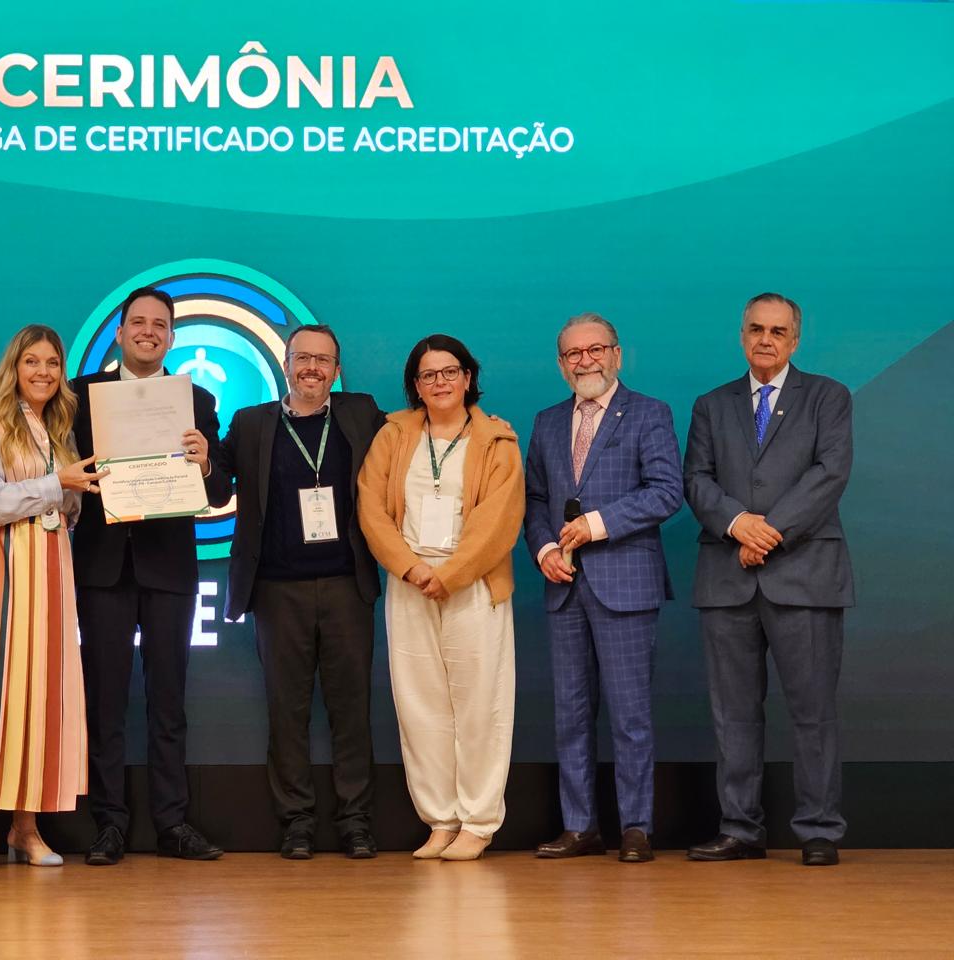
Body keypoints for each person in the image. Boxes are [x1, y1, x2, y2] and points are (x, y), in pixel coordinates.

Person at [683, 292, 854, 868]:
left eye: (778, 331)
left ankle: (819, 830)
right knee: (733, 714)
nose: (766, 339)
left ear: (795, 340)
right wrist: (737, 525)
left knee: (813, 711)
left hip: (804, 576)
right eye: (756, 329)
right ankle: (740, 829)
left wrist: (768, 532)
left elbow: (830, 474)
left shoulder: (828, 397)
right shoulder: (711, 404)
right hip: (728, 578)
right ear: (741, 335)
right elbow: (697, 480)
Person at [71, 286, 234, 864]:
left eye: (159, 325)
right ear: (118, 333)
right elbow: (60, 476)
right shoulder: (77, 396)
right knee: (105, 699)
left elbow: (219, 492)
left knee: (169, 701)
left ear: (171, 336)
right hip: (102, 565)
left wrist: (206, 459)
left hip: (169, 568)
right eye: (137, 323)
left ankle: (172, 823)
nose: (147, 332)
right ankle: (109, 823)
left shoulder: (199, 400)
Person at [217, 325, 385, 860]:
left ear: (338, 370)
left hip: (346, 586)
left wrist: (479, 421)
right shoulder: (250, 423)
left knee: (351, 710)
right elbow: (217, 483)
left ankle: (356, 821)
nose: (312, 368)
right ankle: (296, 823)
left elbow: (423, 430)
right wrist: (199, 460)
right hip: (276, 591)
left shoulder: (361, 414)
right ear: (285, 363)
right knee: (285, 712)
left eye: (324, 360)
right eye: (303, 358)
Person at [358, 334, 524, 861]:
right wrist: (409, 567)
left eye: (449, 372)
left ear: (468, 377)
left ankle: (477, 820)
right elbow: (371, 506)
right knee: (420, 705)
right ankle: (441, 819)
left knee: (481, 706)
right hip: (408, 585)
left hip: (472, 585)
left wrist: (449, 573)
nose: (440, 383)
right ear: (415, 385)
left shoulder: (497, 440)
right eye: (428, 376)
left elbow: (499, 519)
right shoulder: (393, 435)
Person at [523, 313, 683, 863]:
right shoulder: (545, 423)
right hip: (564, 585)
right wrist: (545, 549)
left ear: (618, 355)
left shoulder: (648, 413)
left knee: (631, 714)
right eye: (573, 353)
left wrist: (597, 523)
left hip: (626, 582)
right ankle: (580, 826)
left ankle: (635, 827)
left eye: (596, 350)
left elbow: (666, 492)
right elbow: (536, 500)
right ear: (561, 364)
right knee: (569, 713)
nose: (585, 360)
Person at [0, 325, 100, 870]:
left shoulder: (59, 431)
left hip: (51, 570)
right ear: (14, 368)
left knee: (41, 695)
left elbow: (67, 507)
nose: (43, 372)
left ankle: (26, 828)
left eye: (52, 363)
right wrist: (59, 486)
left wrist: (75, 494)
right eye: (32, 362)